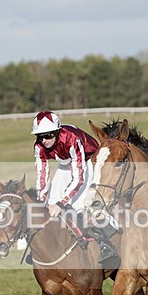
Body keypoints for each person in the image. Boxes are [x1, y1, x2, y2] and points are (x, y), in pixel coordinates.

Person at [32, 110, 118, 263]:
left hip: (87, 162)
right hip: (65, 164)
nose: (44, 140)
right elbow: (42, 175)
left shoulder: (71, 138)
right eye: (40, 136)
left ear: (57, 132)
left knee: (79, 207)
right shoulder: (39, 147)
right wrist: (42, 197)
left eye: (48, 135)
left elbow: (78, 178)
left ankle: (106, 244)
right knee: (49, 206)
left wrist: (61, 202)